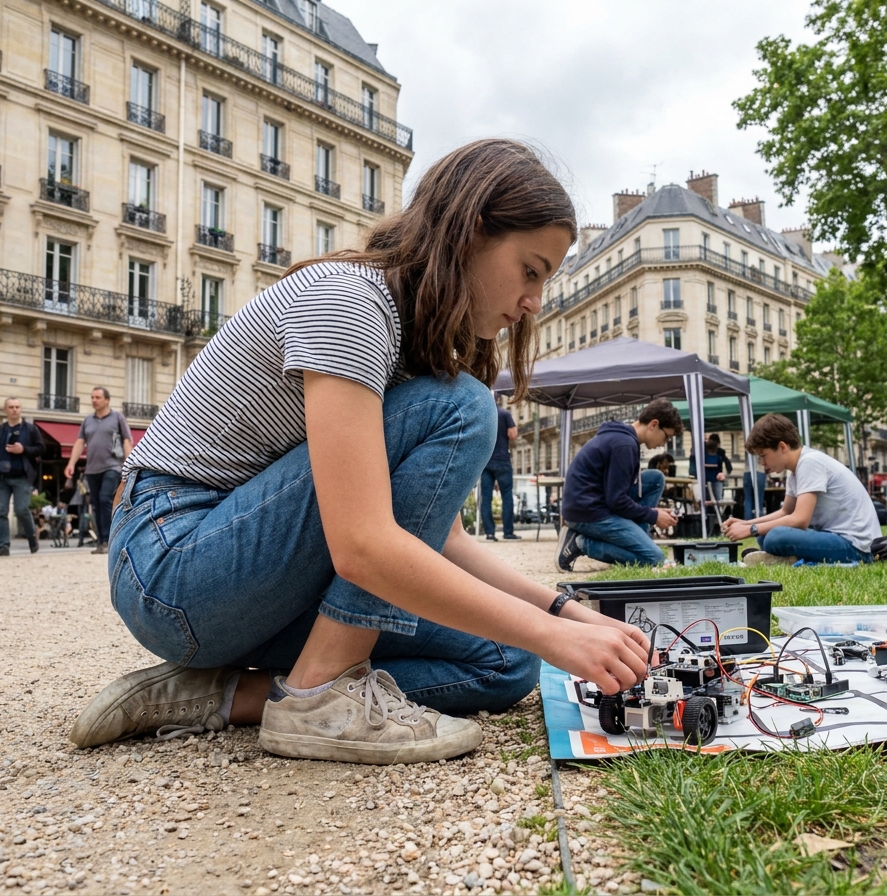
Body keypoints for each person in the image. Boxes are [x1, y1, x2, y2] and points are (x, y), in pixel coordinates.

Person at [70, 139, 651, 767]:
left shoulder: (407, 338)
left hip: (235, 584)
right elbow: (364, 545)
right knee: (462, 408)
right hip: (173, 565)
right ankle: (319, 694)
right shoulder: (351, 302)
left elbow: (443, 541)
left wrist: (564, 614)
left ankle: (228, 693)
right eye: (530, 270)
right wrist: (557, 634)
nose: (534, 300)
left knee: (507, 660)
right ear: (469, 231)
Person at [722, 414, 881, 565]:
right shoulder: (796, 469)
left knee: (775, 537)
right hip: (837, 537)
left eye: (763, 455)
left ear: (782, 447)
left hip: (857, 548)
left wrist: (751, 529)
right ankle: (788, 558)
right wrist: (746, 523)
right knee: (764, 537)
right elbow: (786, 512)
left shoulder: (809, 463)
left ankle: (788, 557)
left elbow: (800, 520)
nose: (762, 462)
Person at [555, 399, 683, 571]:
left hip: (593, 503)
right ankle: (580, 543)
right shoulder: (624, 445)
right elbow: (616, 501)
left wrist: (653, 514)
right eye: (666, 437)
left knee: (655, 478)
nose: (663, 443)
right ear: (654, 424)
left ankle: (638, 540)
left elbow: (615, 495)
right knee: (655, 558)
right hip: (587, 513)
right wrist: (653, 516)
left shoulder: (623, 439)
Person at [64, 388, 132, 554]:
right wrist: (71, 463)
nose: (94, 400)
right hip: (92, 469)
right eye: (92, 397)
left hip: (112, 466)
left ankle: (109, 540)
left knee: (104, 499)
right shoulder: (88, 420)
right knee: (95, 505)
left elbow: (127, 440)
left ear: (107, 400)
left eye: (98, 397)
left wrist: (129, 464)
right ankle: (101, 541)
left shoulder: (117, 418)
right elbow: (80, 442)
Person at [0, 397, 44, 557]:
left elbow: (41, 448)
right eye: (11, 407)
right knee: (1, 511)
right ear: (5, 410)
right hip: (1, 478)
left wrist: (23, 449)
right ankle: (3, 546)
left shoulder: (30, 429)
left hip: (22, 477)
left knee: (21, 510)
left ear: (20, 409)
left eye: (17, 407)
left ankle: (32, 539)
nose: (14, 409)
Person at [480, 400, 518, 541]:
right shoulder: (504, 413)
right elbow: (513, 435)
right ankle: (508, 532)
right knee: (507, 497)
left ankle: (490, 533)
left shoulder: (483, 414)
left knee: (486, 498)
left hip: (486, 461)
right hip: (502, 460)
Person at [688, 434, 733, 507]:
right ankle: (715, 513)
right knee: (716, 500)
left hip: (708, 479)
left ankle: (709, 514)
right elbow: (727, 464)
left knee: (709, 500)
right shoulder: (718, 452)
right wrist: (727, 471)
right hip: (713, 479)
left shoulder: (711, 452)